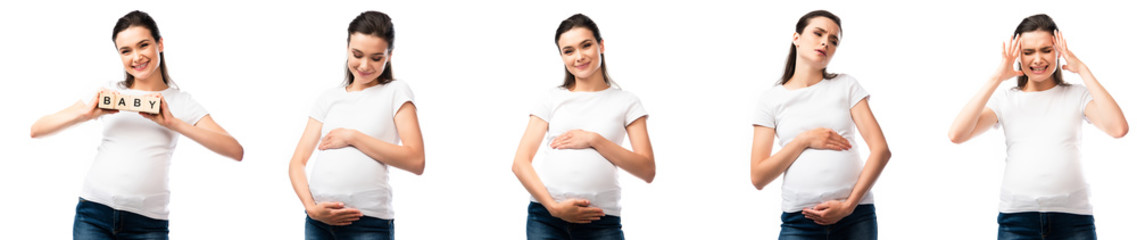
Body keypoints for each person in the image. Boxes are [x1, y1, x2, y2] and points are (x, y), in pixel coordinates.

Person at [29, 10, 245, 240]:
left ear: (159, 44)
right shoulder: (107, 92)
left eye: (143, 45)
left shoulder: (181, 102)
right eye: (126, 51)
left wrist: (173, 123)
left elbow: (235, 150)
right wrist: (85, 114)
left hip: (148, 224)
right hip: (93, 214)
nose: (136, 57)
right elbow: (37, 130)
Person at [947, 14, 1128, 239]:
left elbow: (1118, 128)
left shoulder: (1076, 96)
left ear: (1058, 51)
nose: (1038, 59)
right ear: (1018, 56)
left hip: (1073, 219)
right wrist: (997, 77)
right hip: (1017, 220)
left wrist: (1082, 69)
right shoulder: (1005, 100)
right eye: (1028, 52)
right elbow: (957, 134)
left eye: (1046, 50)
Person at [511, 13, 656, 240]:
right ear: (562, 57)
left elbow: (647, 170)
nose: (579, 57)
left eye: (586, 45)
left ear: (601, 45)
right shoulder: (550, 98)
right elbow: (520, 163)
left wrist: (593, 140)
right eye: (569, 51)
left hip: (600, 221)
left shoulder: (627, 102)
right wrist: (553, 207)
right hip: (546, 217)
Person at [749, 10, 891, 240]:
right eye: (818, 33)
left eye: (834, 40)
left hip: (856, 216)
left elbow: (882, 151)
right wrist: (804, 140)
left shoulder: (847, 85)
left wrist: (849, 206)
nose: (826, 42)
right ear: (796, 38)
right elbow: (758, 177)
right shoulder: (770, 100)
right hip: (799, 223)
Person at [287, 10, 425, 240]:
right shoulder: (329, 98)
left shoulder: (395, 92)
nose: (364, 65)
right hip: (318, 222)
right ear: (347, 47)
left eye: (376, 57)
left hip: (367, 224)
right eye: (357, 54)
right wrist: (310, 207)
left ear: (389, 55)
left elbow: (416, 161)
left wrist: (352, 137)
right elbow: (297, 162)